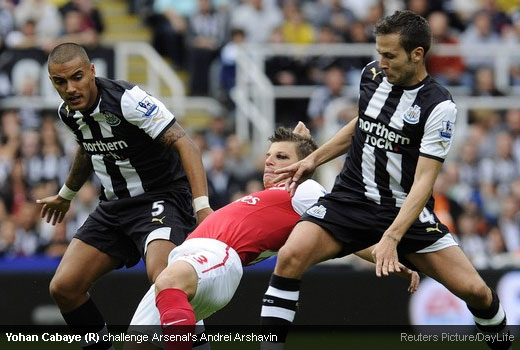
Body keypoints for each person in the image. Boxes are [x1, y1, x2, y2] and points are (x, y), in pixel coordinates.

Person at [260, 11, 511, 350]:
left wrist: (392, 236)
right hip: (350, 200)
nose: (382, 62)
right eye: (380, 52)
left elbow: (424, 180)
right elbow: (363, 122)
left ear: (417, 54)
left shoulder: (438, 106)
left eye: (390, 55)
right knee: (290, 257)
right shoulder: (372, 75)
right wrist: (313, 159)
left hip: (405, 213)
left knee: (476, 292)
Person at [127, 123, 420, 350]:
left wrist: (387, 253)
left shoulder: (304, 190)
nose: (269, 162)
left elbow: (342, 230)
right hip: (193, 262)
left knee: (167, 280)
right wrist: (295, 140)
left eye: (280, 157)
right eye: (268, 156)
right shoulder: (273, 195)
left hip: (216, 256)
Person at [38, 43, 213, 350]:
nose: (70, 88)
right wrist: (66, 194)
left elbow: (186, 144)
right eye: (60, 82)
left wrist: (203, 209)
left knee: (163, 277)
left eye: (77, 77)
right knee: (64, 288)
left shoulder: (129, 100)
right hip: (113, 208)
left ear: (92, 72)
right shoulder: (68, 113)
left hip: (161, 198)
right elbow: (87, 146)